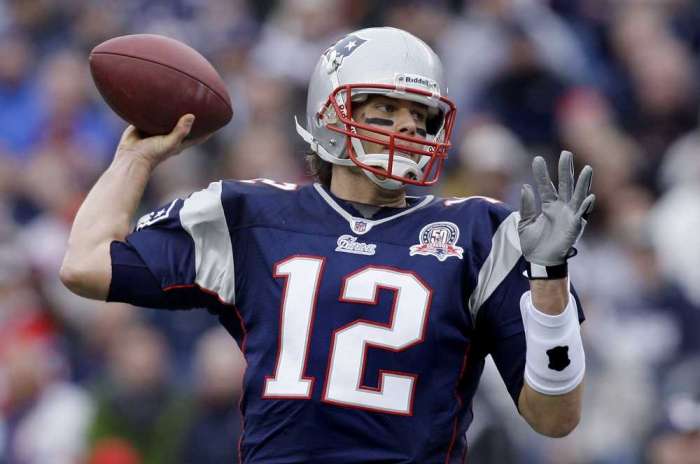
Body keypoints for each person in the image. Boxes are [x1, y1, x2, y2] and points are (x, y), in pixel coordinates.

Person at [60, 27, 595, 463]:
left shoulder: (482, 232)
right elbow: (85, 264)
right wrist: (136, 158)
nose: (408, 125)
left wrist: (550, 279)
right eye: (385, 109)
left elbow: (555, 418)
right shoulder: (252, 216)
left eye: (421, 115)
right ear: (331, 114)